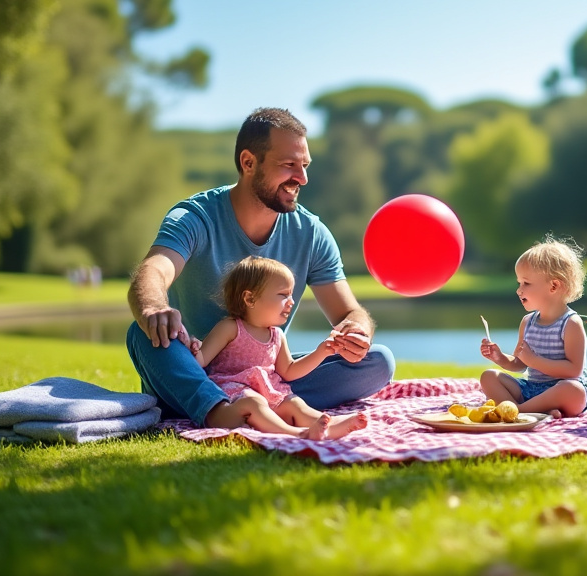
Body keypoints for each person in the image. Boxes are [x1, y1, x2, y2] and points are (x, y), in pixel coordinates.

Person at [126, 107, 395, 428]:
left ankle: (257, 407)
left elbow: (349, 312)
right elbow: (154, 271)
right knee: (143, 334)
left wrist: (356, 332)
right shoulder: (195, 217)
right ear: (248, 163)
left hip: (264, 377)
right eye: (289, 165)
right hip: (191, 369)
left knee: (377, 362)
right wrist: (155, 307)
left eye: (305, 165)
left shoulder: (310, 232)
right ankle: (213, 408)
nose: (303, 178)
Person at [193, 256, 368, 439]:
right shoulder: (230, 328)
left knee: (295, 404)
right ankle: (299, 433)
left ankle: (330, 425)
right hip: (235, 397)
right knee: (254, 402)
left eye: (291, 295)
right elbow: (201, 360)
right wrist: (195, 348)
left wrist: (322, 352)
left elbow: (289, 371)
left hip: (269, 394)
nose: (291, 301)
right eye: (283, 295)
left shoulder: (277, 335)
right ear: (250, 298)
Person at [478, 236, 587, 418]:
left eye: (526, 283)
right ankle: (538, 410)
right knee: (489, 377)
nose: (519, 290)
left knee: (572, 390)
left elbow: (573, 370)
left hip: (563, 390)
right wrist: (499, 358)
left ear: (554, 286)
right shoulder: (527, 322)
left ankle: (518, 411)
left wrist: (534, 361)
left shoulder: (570, 323)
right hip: (532, 389)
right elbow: (519, 364)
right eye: (519, 283)